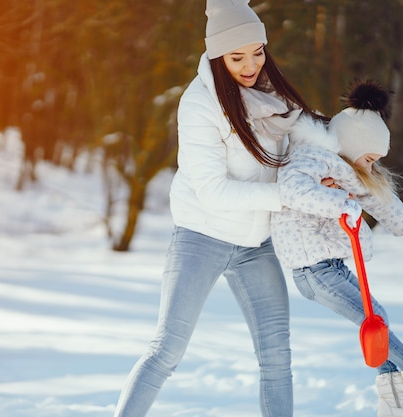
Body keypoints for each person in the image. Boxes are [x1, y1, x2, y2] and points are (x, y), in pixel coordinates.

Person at [112, 1, 326, 416]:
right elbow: (213, 192)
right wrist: (288, 196)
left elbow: (308, 139)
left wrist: (338, 162)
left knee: (277, 358)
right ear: (216, 54)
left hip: (255, 244)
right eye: (237, 56)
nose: (250, 65)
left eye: (258, 52)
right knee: (167, 351)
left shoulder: (271, 95)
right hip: (201, 237)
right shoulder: (199, 105)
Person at [270, 79, 403, 417]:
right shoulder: (311, 158)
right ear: (352, 143)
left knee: (378, 319)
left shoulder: (343, 165)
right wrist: (337, 202)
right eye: (368, 158)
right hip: (312, 269)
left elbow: (378, 197)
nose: (369, 166)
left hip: (330, 266)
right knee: (372, 323)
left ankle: (395, 402)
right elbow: (292, 191)